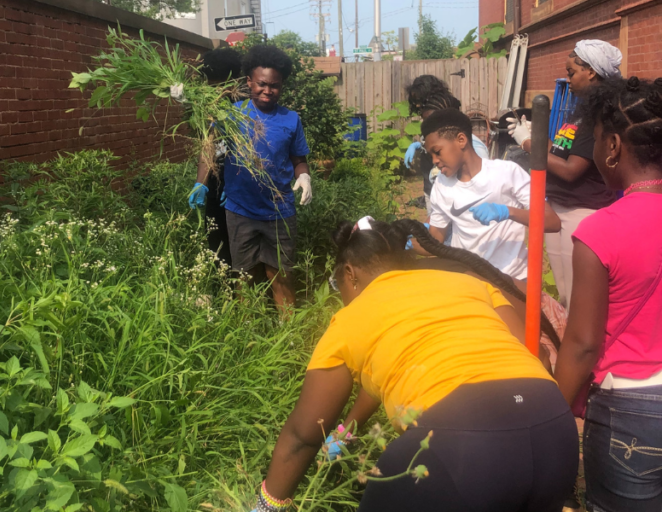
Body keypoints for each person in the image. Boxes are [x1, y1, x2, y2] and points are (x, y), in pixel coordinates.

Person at [250, 218, 579, 512]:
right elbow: (538, 355)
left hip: (460, 449)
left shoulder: (349, 319)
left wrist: (268, 505)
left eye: (338, 286)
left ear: (349, 273)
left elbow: (303, 434)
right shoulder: (467, 285)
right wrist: (346, 432)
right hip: (555, 433)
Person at [555, 76, 662, 512]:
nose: (596, 150)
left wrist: (554, 415)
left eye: (596, 140)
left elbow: (583, 345)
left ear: (614, 146)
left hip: (630, 413)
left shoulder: (600, 230)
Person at [190, 45, 312, 313]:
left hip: (279, 210)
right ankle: (248, 330)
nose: (267, 91)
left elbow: (298, 160)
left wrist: (304, 177)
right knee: (244, 276)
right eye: (261, 84)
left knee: (280, 274)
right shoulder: (231, 114)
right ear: (249, 82)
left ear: (282, 86)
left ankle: (288, 335)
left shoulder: (291, 120)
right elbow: (209, 147)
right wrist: (201, 182)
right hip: (240, 209)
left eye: (274, 86)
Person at [508, 40, 622, 310]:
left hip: (582, 211)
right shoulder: (580, 111)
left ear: (591, 72)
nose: (567, 79)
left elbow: (571, 171)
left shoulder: (599, 116)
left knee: (580, 298)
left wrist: (527, 145)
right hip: (560, 209)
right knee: (565, 295)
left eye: (571, 73)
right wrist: (534, 135)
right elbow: (558, 153)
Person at [415, 109, 561, 281]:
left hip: (513, 279)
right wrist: (412, 240)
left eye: (437, 152)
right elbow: (436, 238)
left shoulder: (507, 172)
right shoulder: (441, 184)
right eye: (430, 154)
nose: (434, 161)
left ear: (461, 140)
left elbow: (552, 222)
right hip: (469, 279)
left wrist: (508, 212)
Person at [189, 47, 243, 268]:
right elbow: (208, 146)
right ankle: (223, 290)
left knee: (240, 243)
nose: (214, 90)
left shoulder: (246, 108)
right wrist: (200, 184)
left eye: (218, 85)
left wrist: (235, 184)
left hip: (242, 184)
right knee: (216, 240)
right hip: (217, 182)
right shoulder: (210, 107)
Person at [404, 76, 489, 216]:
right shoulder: (437, 135)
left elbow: (477, 191)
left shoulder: (476, 148)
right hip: (436, 196)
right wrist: (419, 145)